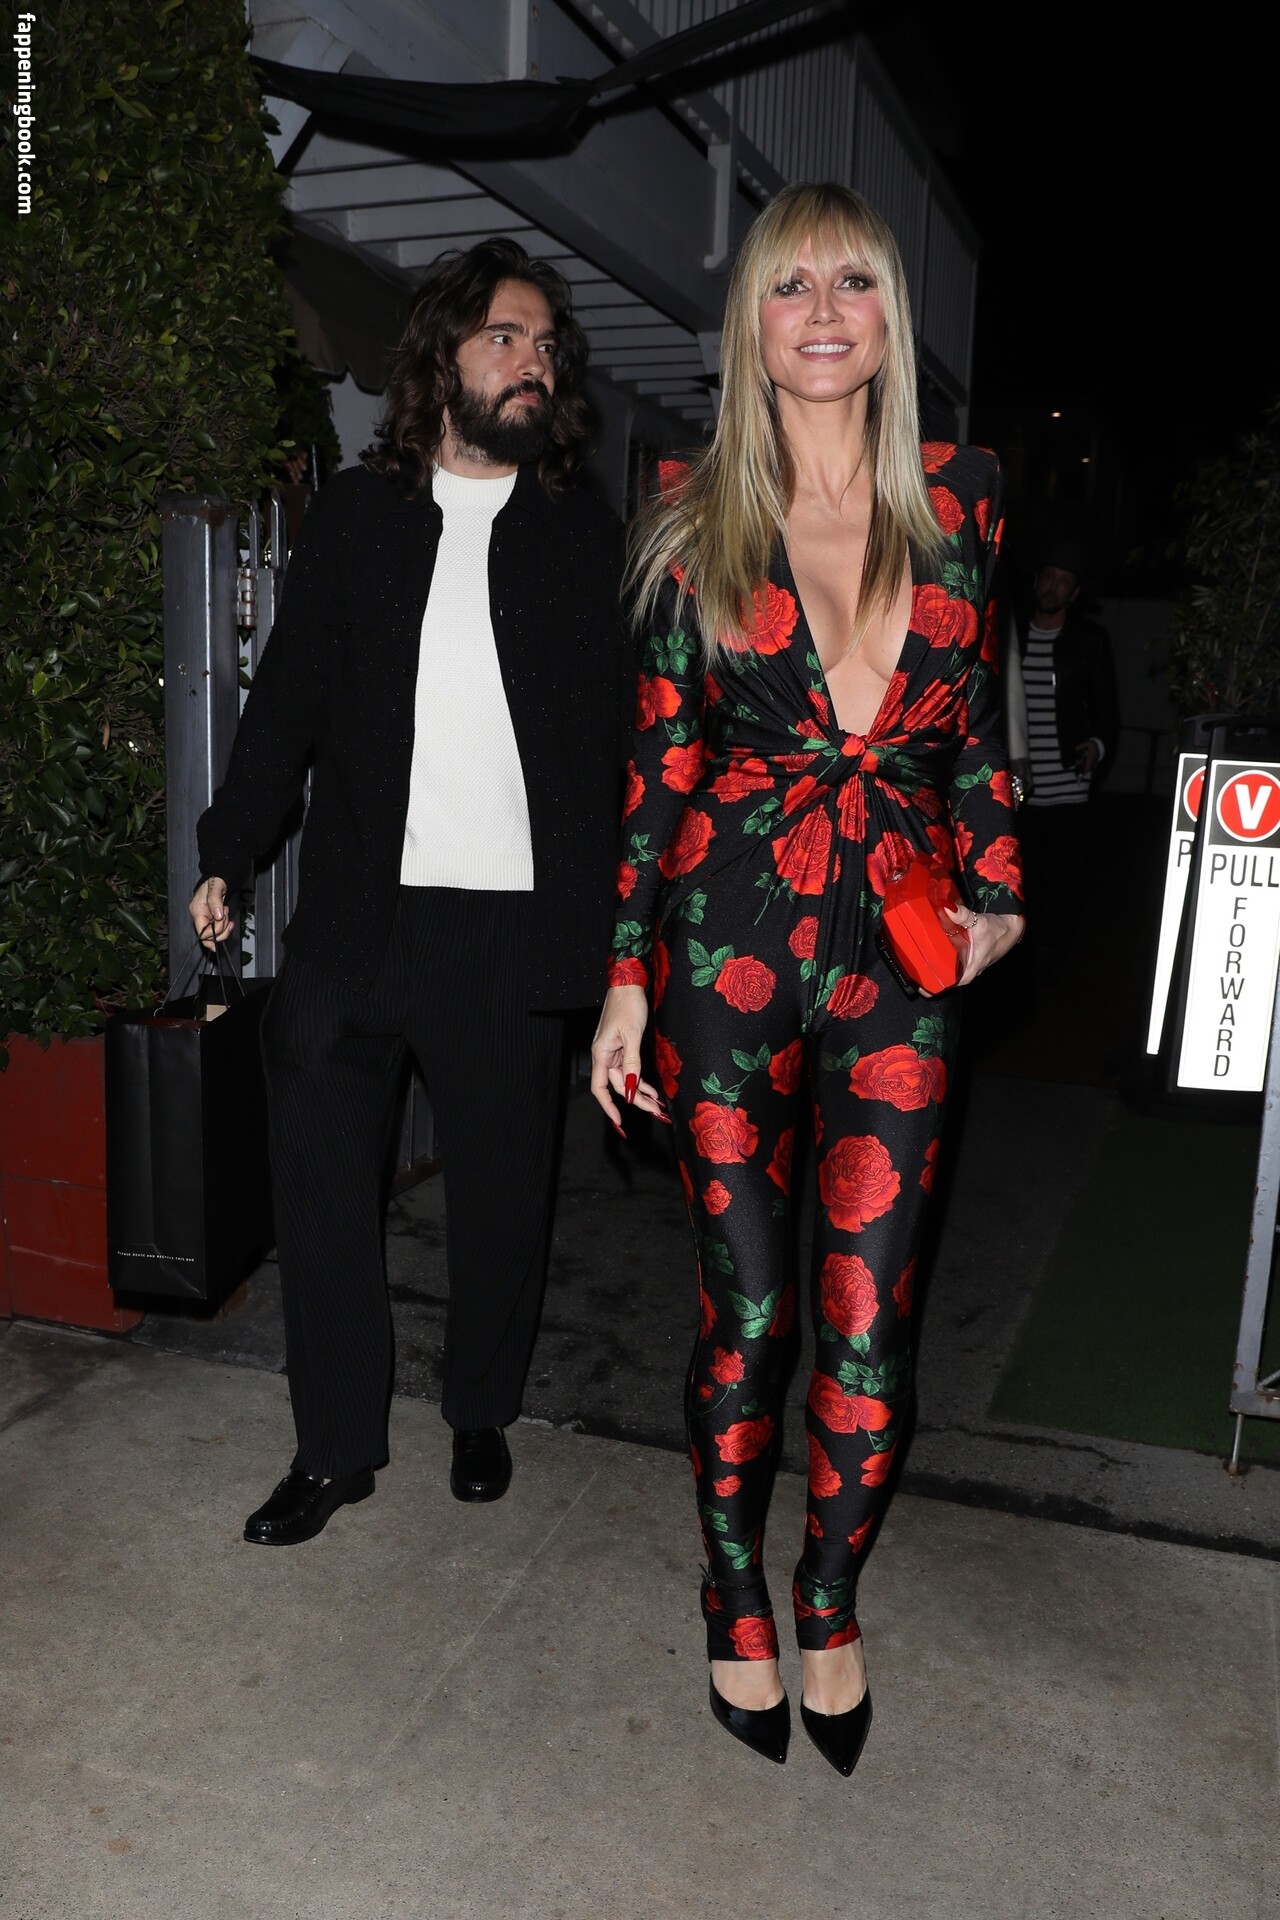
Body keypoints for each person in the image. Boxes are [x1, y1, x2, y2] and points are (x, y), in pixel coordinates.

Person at [590, 183, 1024, 1773]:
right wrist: (625, 976)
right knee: (753, 1313)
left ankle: (827, 1598)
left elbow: (973, 735)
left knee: (866, 1322)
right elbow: (659, 763)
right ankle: (731, 1593)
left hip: (900, 958)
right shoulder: (690, 514)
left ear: (892, 320)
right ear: (752, 327)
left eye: (854, 282)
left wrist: (1001, 893)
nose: (824, 311)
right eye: (791, 286)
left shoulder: (962, 504)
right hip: (727, 947)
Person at [190, 238, 629, 1546]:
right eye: (507, 338)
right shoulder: (359, 520)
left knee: (502, 1196)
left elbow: (621, 743)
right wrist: (229, 847)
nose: (533, 362)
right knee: (320, 1181)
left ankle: (480, 1408)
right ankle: (334, 1446)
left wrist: (627, 931)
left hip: (510, 927)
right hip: (358, 917)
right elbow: (289, 701)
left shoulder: (577, 534)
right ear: (440, 358)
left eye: (547, 346)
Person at [1012, 537, 1118, 970]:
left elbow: (1107, 710)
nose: (1053, 587)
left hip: (1068, 781)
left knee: (1066, 874)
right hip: (1018, 783)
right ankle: (1020, 949)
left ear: (1074, 593)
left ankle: (1054, 951)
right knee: (1023, 871)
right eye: (1048, 577)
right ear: (1036, 580)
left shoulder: (1089, 641)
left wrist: (1096, 746)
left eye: (1064, 581)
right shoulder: (1011, 635)